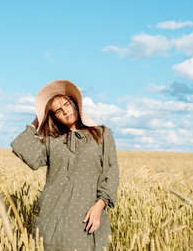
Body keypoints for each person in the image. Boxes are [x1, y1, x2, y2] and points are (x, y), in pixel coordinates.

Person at [11, 79, 120, 251]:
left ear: (75, 103)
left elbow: (111, 172)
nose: (65, 111)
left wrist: (100, 206)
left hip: (86, 218)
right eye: (58, 110)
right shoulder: (52, 142)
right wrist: (37, 121)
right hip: (52, 220)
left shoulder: (102, 134)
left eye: (66, 104)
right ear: (54, 117)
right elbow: (21, 146)